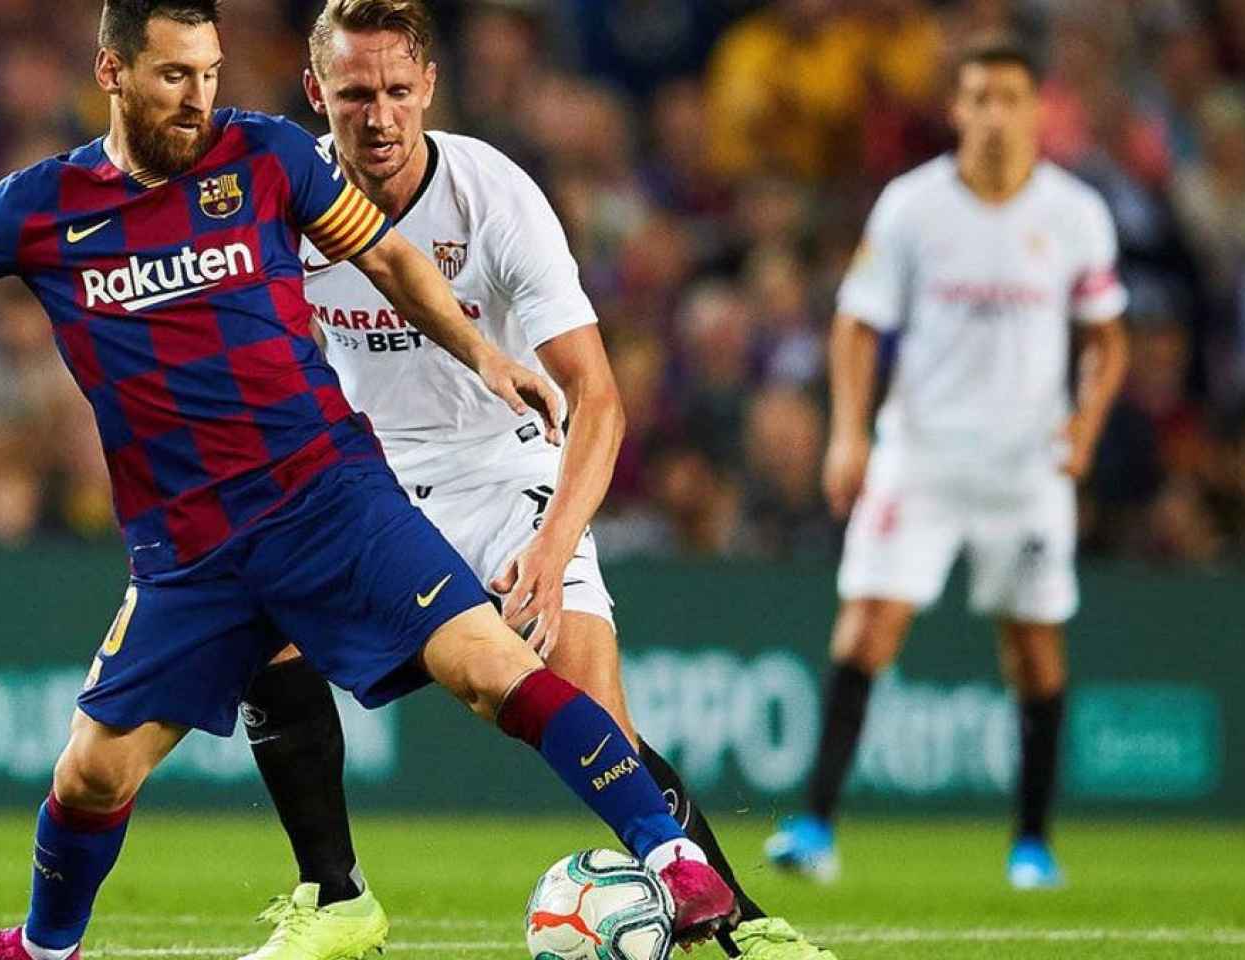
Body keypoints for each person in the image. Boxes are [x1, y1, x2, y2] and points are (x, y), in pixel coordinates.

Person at [0, 4, 738, 958]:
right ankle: (42, 947)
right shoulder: (44, 205)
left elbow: (388, 254)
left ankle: (673, 859)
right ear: (112, 73)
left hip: (328, 496)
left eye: (210, 73)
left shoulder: (267, 156)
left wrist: (481, 353)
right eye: (173, 74)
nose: (197, 98)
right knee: (92, 775)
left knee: (496, 670)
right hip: (186, 549)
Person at [232, 3, 835, 959]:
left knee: (596, 721)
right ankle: (335, 896)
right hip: (364, 478)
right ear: (316, 94)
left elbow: (598, 396)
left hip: (501, 468)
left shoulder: (494, 196)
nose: (380, 117)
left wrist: (551, 552)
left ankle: (743, 926)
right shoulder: (283, 202)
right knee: (260, 627)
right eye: (355, 95)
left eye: (398, 91)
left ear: (430, 86)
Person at [765, 37, 1130, 890]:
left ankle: (1032, 844)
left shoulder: (1075, 213)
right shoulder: (912, 206)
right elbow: (857, 321)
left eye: (1011, 96)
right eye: (979, 97)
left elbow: (1107, 340)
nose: (996, 113)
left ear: (1037, 109)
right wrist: (848, 433)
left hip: (1026, 468)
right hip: (920, 455)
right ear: (957, 110)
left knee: (1034, 649)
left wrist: (1085, 427)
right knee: (866, 626)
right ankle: (815, 828)